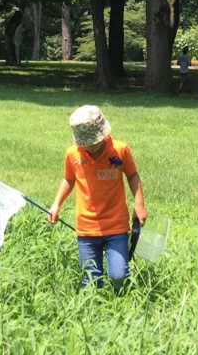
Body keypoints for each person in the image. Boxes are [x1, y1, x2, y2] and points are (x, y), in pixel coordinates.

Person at [48, 105, 147, 291]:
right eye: (86, 143)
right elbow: (68, 179)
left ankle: (121, 305)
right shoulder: (72, 154)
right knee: (91, 282)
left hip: (116, 225)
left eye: (94, 141)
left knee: (119, 276)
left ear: (103, 132)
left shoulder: (120, 150)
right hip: (86, 227)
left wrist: (139, 204)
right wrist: (56, 205)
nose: (91, 146)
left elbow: (132, 175)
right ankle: (95, 311)